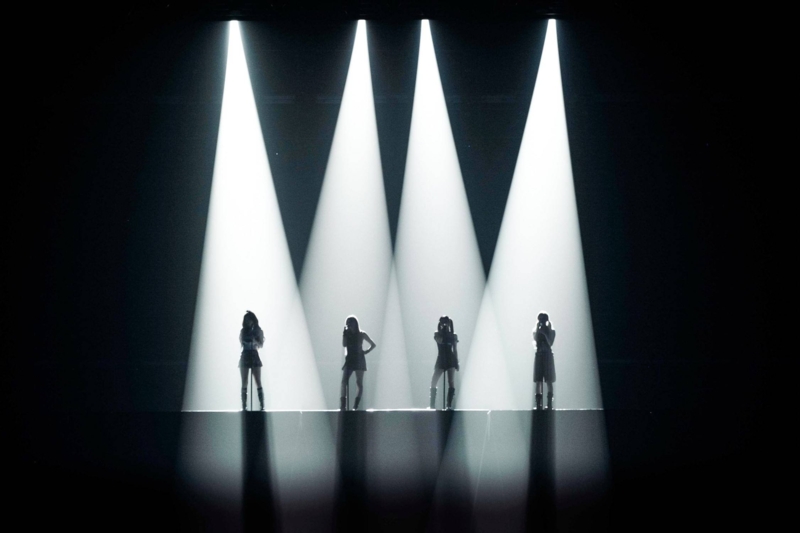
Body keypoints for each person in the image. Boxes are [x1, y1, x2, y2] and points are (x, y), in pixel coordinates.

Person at [340, 315, 376, 410]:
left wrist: (366, 351)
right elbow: (344, 344)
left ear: (355, 324)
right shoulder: (347, 334)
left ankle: (355, 405)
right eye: (347, 324)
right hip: (350, 360)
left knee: (359, 383)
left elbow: (373, 344)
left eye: (350, 323)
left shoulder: (362, 334)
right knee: (344, 381)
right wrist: (344, 334)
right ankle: (343, 405)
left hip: (359, 360)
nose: (348, 325)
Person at [429, 316, 459, 410]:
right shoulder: (437, 334)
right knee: (434, 380)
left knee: (451, 381)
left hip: (450, 359)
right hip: (441, 358)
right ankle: (432, 405)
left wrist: (456, 362)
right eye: (443, 322)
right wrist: (443, 331)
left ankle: (448, 405)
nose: (444, 324)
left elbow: (455, 349)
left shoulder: (453, 335)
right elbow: (440, 340)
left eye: (446, 322)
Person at [239, 310, 265, 411]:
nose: (247, 322)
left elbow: (261, 344)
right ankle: (244, 405)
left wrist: (255, 341)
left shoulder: (258, 330)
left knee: (258, 380)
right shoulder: (243, 331)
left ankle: (262, 404)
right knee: (244, 381)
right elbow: (241, 341)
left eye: (249, 320)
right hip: (245, 354)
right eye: (246, 320)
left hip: (254, 354)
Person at [533, 312, 556, 410]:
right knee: (538, 380)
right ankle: (538, 404)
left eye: (543, 320)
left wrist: (545, 333)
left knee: (549, 380)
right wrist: (538, 330)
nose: (541, 322)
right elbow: (535, 340)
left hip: (547, 356)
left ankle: (549, 404)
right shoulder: (536, 332)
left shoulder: (552, 332)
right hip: (539, 355)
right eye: (540, 320)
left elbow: (550, 343)